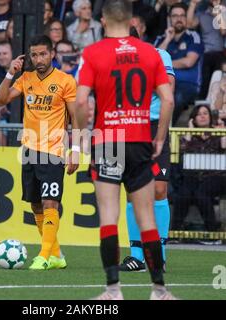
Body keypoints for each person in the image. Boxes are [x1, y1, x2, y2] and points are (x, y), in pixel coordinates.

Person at [75, 0, 176, 300]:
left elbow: (81, 101)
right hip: (139, 138)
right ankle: (159, 290)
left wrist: (82, 134)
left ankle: (112, 290)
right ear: (132, 21)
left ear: (103, 21)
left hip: (108, 141)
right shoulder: (151, 53)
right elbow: (168, 100)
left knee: (109, 215)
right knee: (146, 216)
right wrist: (159, 137)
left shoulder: (93, 53)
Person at [0, 35, 79, 270]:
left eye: (43, 54)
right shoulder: (26, 79)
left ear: (52, 53)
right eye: (34, 55)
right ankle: (56, 255)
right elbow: (0, 100)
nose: (39, 59)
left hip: (54, 150)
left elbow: (77, 118)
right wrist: (10, 74)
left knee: (50, 202)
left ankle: (43, 256)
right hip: (30, 151)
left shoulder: (65, 81)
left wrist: (76, 150)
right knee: (36, 205)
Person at [120, 42, 175, 272]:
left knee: (159, 189)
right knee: (133, 192)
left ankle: (158, 256)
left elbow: (168, 92)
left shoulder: (161, 56)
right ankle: (137, 256)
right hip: (128, 127)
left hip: (154, 126)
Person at [171, 103, 226, 232]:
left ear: (210, 117)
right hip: (193, 176)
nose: (202, 116)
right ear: (193, 119)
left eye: (205, 113)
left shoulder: (217, 131)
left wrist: (223, 130)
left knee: (201, 193)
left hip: (215, 176)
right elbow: (181, 149)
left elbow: (224, 146)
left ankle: (212, 233)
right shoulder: (189, 135)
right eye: (198, 114)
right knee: (182, 194)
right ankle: (175, 232)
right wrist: (190, 131)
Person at [155, 3, 204, 125]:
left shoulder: (193, 37)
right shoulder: (161, 38)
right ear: (169, 18)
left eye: (182, 16)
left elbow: (189, 62)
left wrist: (164, 63)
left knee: (175, 98)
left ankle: (165, 131)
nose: (179, 19)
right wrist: (167, 40)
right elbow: (154, 59)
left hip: (187, 85)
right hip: (163, 83)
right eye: (175, 16)